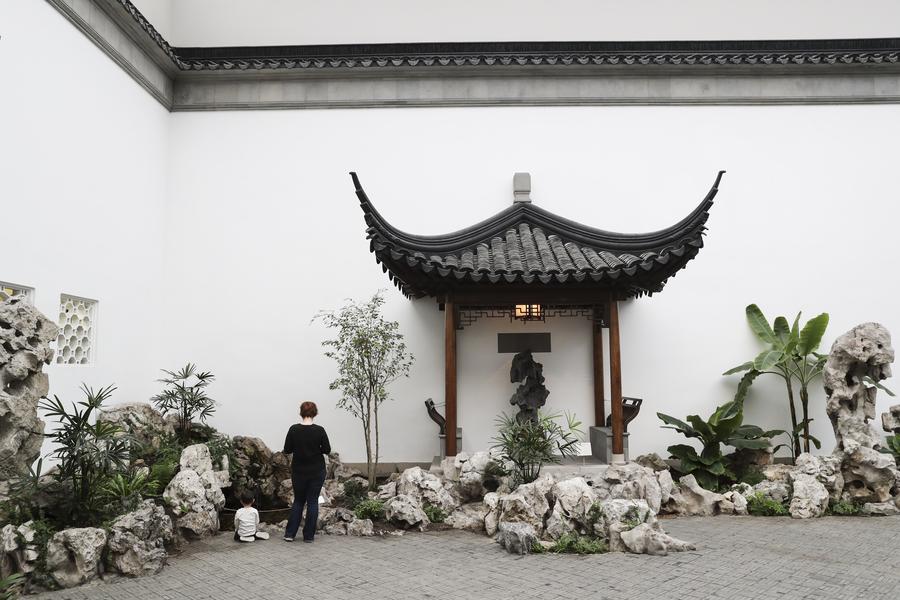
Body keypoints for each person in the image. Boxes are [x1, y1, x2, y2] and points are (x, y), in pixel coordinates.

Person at [283, 401, 331, 542]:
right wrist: (316, 449)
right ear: (315, 413)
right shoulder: (320, 430)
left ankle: (290, 534)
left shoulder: (293, 429)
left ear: (301, 412)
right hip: (317, 470)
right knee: (312, 501)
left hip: (299, 471)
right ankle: (309, 536)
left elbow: (287, 449)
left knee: (298, 501)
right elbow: (327, 449)